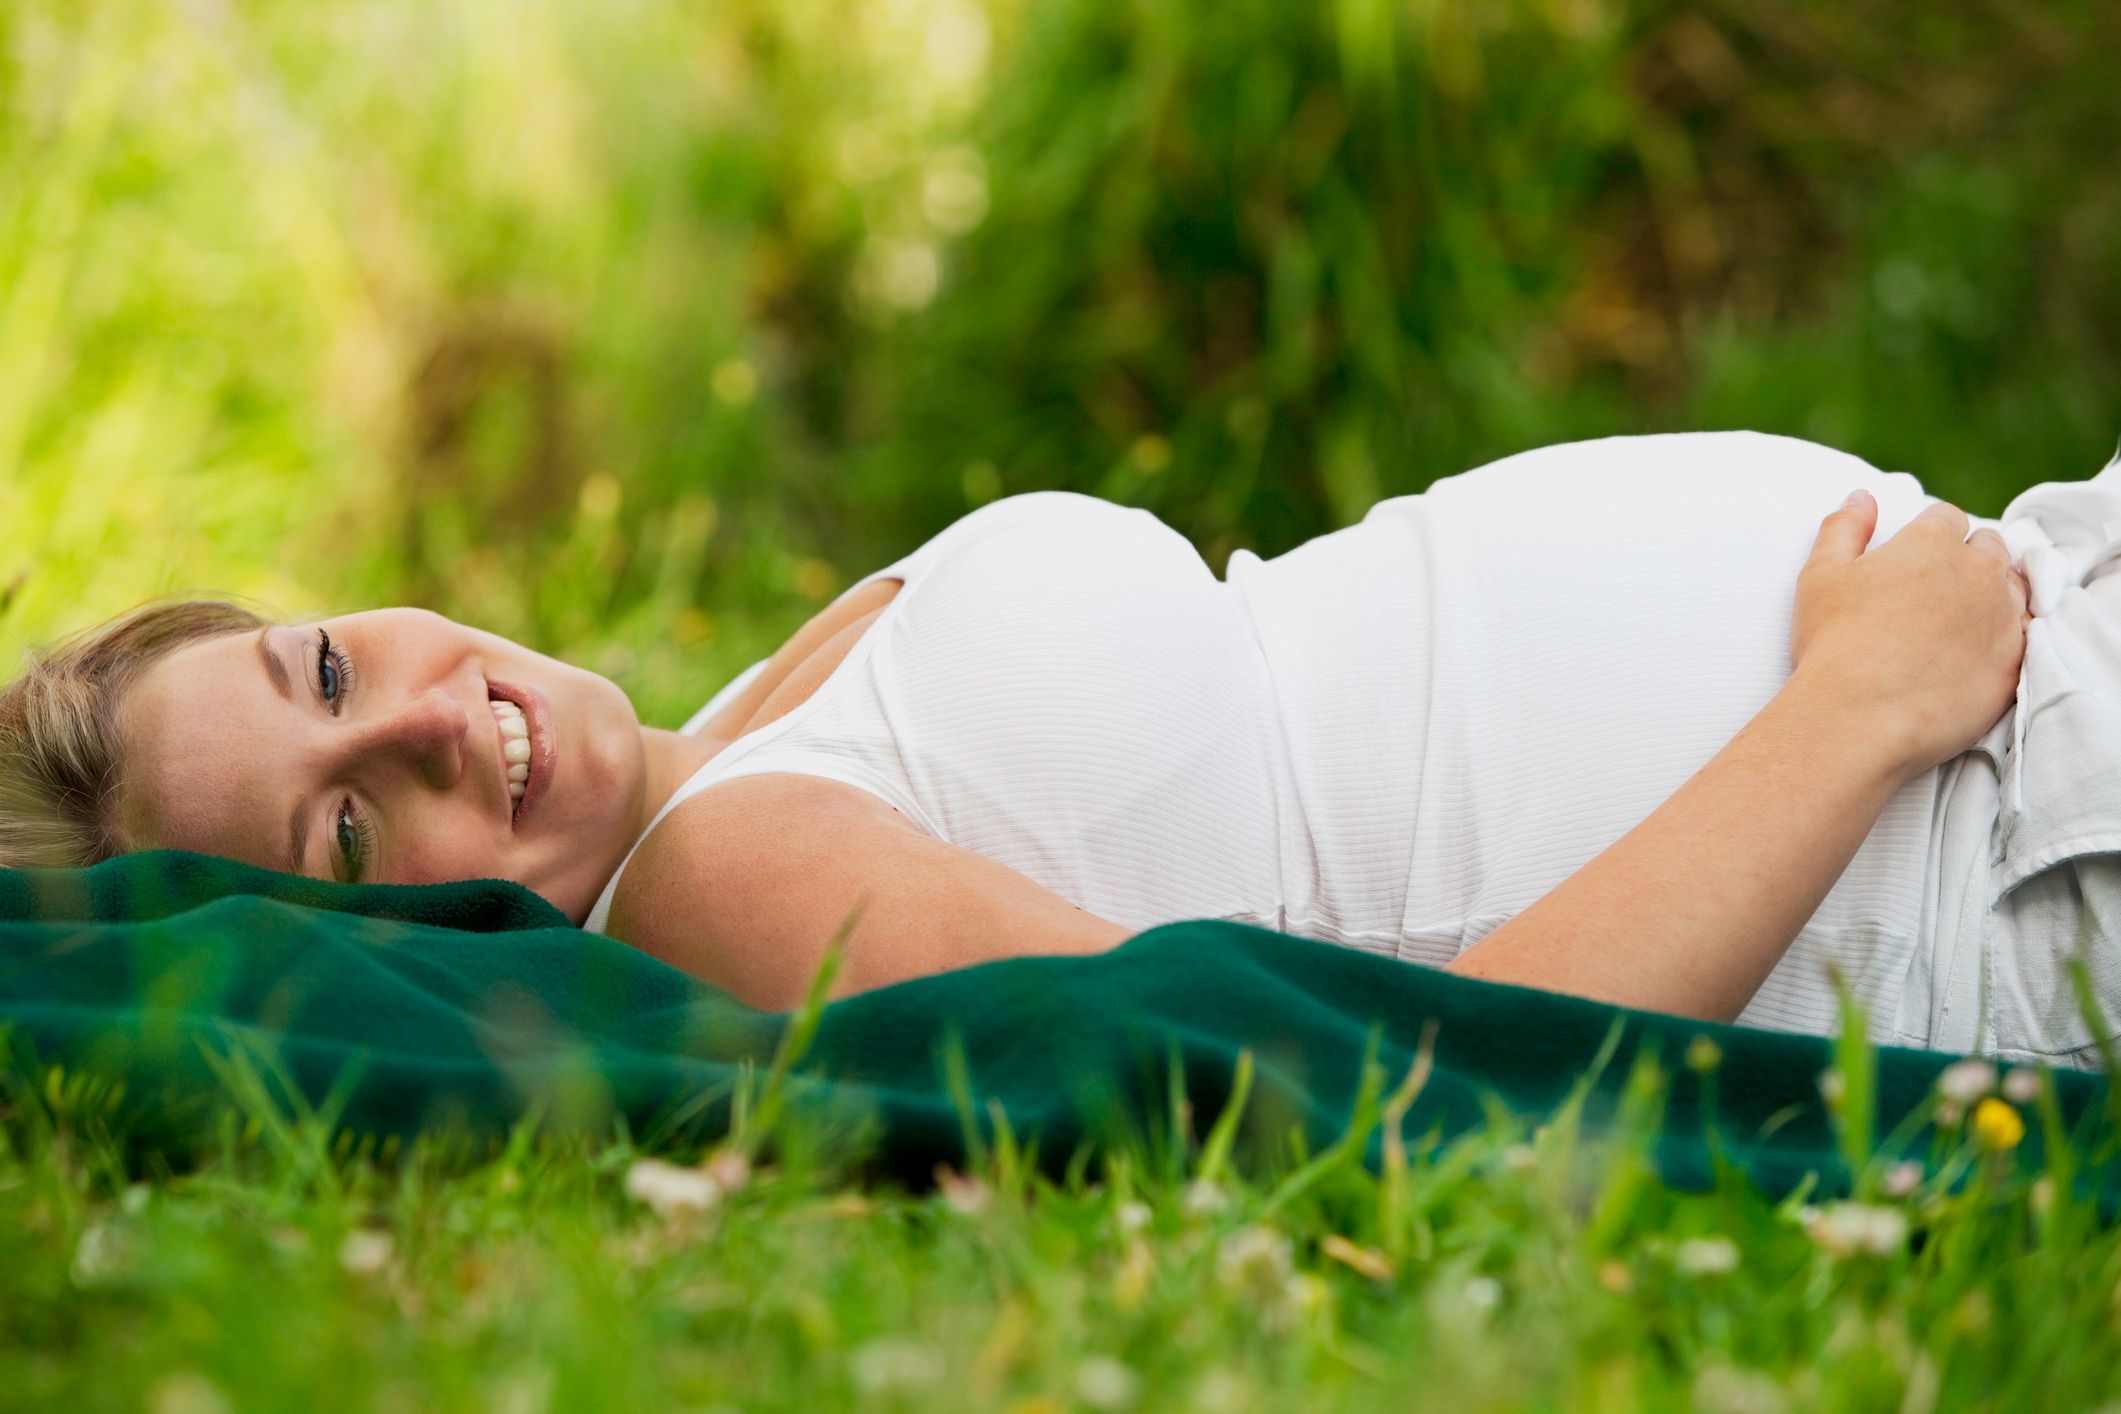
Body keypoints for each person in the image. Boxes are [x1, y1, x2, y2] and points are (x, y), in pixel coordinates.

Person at [0, 431, 2083, 1057]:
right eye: (353, 835)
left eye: (336, 672)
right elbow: (1402, 1084)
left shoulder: (728, 745)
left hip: (2027, 635)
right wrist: (1856, 701)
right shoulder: (731, 890)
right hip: (1979, 835)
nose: (448, 721)